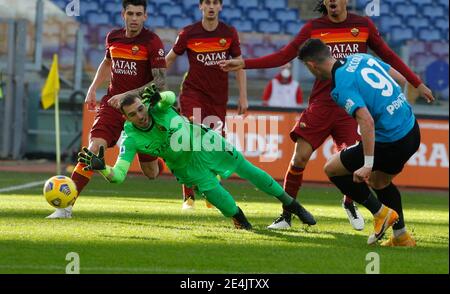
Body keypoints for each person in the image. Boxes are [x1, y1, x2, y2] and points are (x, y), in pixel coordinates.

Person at [219, 0, 434, 231]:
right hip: (322, 103)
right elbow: (283, 56)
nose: (331, 1)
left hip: (353, 108)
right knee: (299, 157)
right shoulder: (313, 28)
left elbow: (388, 56)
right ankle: (287, 215)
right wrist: (244, 63)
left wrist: (416, 82)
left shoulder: (362, 25)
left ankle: (352, 204)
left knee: (347, 163)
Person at [77, 86, 316, 230]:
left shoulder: (156, 106)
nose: (141, 115)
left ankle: (293, 205)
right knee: (222, 200)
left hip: (207, 143)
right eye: (133, 114)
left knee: (251, 172)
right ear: (126, 119)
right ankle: (241, 220)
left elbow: (170, 97)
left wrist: (159, 95)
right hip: (188, 168)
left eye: (140, 108)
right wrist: (103, 169)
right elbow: (118, 176)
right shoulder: (130, 139)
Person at [298, 38, 435, 245]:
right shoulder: (360, 57)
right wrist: (393, 106)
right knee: (380, 182)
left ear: (311, 65)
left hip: (390, 142)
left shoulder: (340, 86)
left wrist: (367, 164)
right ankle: (401, 236)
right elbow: (398, 79)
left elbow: (366, 121)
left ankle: (380, 213)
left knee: (332, 169)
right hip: (411, 130)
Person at [46, 0, 167, 219]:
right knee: (94, 148)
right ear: (123, 14)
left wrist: (128, 96)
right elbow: (106, 62)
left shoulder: (152, 42)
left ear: (145, 17)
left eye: (139, 14)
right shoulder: (113, 37)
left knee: (151, 173)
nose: (134, 18)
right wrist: (92, 89)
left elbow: (160, 82)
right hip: (111, 104)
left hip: (140, 110)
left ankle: (157, 162)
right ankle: (66, 207)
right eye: (130, 13)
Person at [165, 0, 248, 210]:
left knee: (214, 144)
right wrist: (154, 81)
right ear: (201, 6)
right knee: (191, 137)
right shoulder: (188, 33)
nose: (211, 6)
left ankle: (210, 190)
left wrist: (243, 96)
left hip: (218, 98)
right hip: (193, 93)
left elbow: (239, 65)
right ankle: (188, 196)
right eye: (207, 3)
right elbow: (169, 59)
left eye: (215, 3)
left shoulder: (229, 33)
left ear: (220, 6)